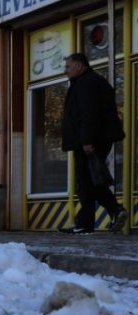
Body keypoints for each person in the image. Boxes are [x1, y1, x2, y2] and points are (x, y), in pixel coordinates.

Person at [60, 52, 128, 234]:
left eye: (68, 66)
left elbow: (88, 114)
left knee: (86, 181)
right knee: (91, 181)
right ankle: (91, 221)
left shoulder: (86, 83)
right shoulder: (89, 82)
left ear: (80, 65)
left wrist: (87, 140)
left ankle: (100, 216)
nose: (65, 70)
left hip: (91, 141)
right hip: (94, 139)